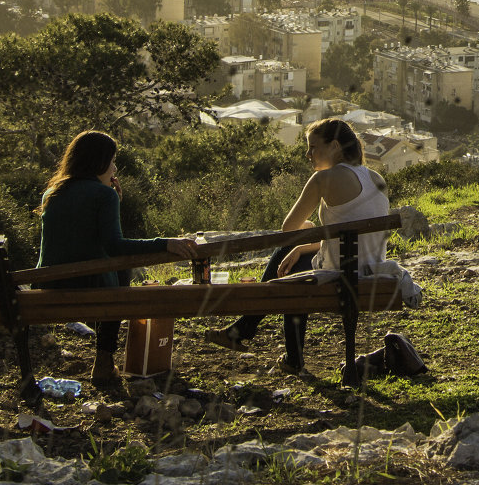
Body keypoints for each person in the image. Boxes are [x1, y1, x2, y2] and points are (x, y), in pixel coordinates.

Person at [205, 118, 390, 374]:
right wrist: (305, 247)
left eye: (313, 147)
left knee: (286, 259)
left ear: (335, 146)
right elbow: (347, 239)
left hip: (344, 276)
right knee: (296, 262)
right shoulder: (375, 177)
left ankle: (257, 338)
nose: (308, 154)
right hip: (373, 271)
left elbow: (288, 229)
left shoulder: (323, 179)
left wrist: (305, 232)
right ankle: (246, 333)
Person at [36, 130, 196, 386]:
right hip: (90, 291)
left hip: (48, 287)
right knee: (122, 271)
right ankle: (103, 359)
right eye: (111, 161)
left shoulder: (51, 194)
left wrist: (114, 201)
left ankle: (104, 360)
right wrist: (167, 243)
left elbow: (78, 239)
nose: (114, 167)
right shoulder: (104, 195)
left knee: (113, 269)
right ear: (98, 162)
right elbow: (115, 246)